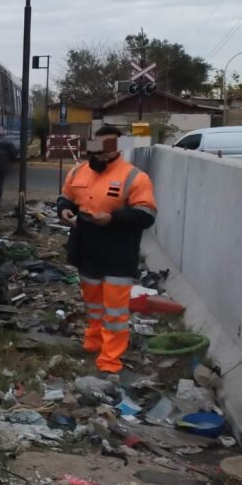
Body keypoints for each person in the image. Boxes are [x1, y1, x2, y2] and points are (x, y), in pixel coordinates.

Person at [56, 126, 157, 374]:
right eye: (97, 146)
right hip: (87, 248)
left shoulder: (135, 177)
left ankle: (110, 360)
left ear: (116, 147)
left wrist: (112, 218)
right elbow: (66, 197)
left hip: (118, 252)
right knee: (94, 304)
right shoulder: (78, 171)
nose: (101, 152)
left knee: (114, 310)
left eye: (107, 147)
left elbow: (146, 215)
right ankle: (94, 342)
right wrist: (64, 209)